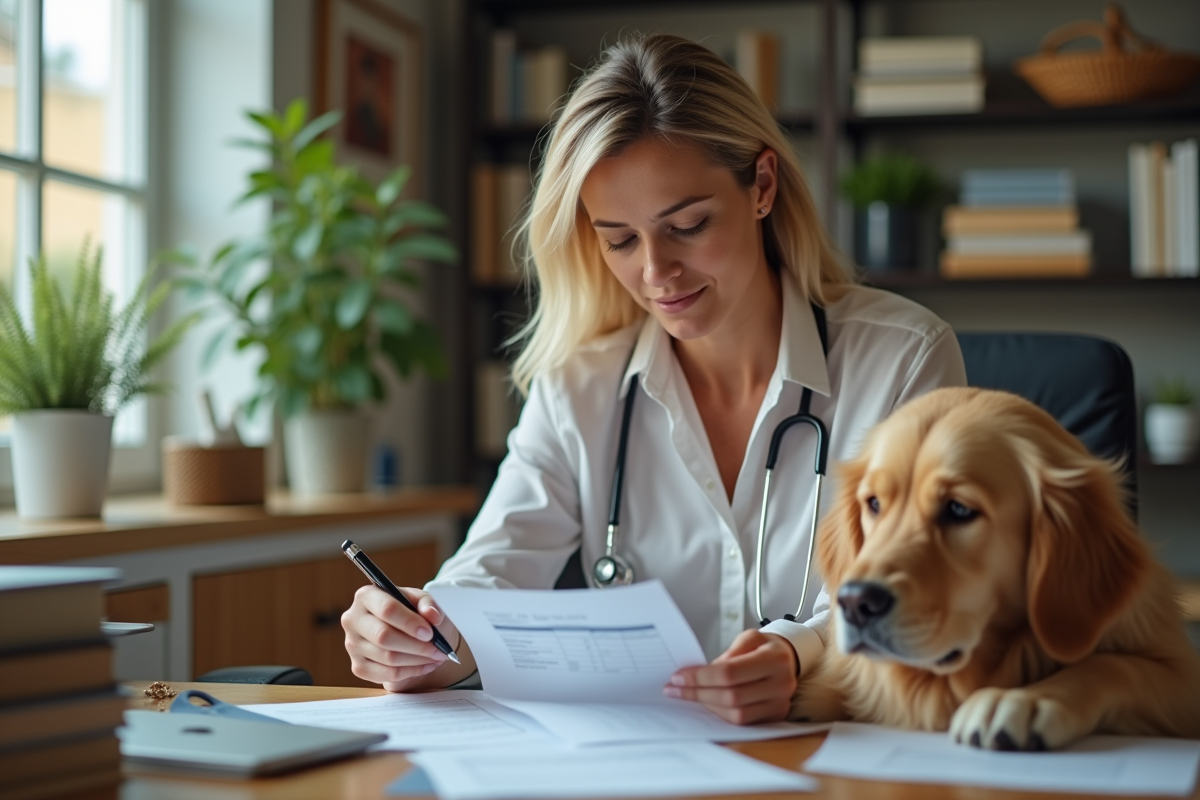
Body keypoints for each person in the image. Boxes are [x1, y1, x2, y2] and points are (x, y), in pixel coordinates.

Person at [342, 33, 966, 724]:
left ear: (761, 186)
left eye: (689, 225)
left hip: (844, 748)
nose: (654, 272)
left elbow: (922, 590)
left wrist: (796, 656)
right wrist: (418, 638)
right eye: (618, 239)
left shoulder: (903, 357)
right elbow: (491, 573)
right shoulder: (578, 386)